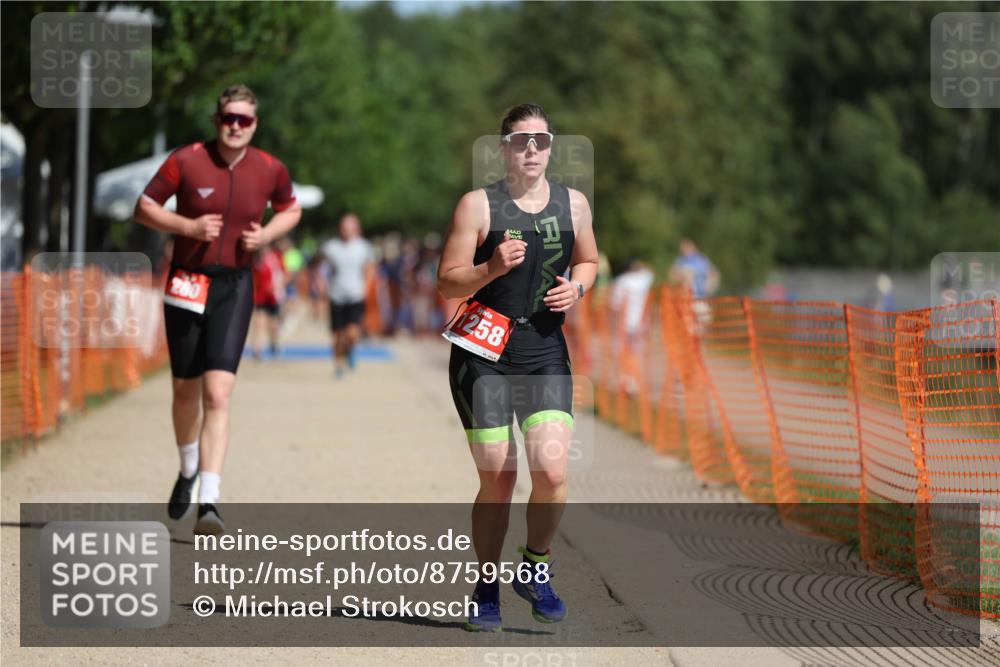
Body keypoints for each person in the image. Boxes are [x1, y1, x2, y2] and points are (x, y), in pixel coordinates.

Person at [437, 103, 599, 632]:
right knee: (500, 477)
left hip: (543, 348)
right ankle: (486, 586)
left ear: (552, 146)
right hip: (483, 353)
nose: (532, 148)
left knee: (552, 470)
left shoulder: (574, 204)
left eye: (542, 139)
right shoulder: (477, 206)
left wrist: (576, 287)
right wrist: (488, 267)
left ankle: (535, 567)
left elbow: (590, 260)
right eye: (521, 140)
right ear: (503, 148)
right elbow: (448, 281)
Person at [135, 84, 301, 534]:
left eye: (244, 119)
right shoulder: (186, 159)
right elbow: (145, 207)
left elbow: (291, 209)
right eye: (229, 117)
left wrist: (266, 235)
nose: (235, 125)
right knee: (185, 393)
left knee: (218, 395)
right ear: (217, 119)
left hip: (235, 285)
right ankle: (188, 468)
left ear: (255, 124)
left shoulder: (270, 168)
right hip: (187, 282)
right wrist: (186, 225)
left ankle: (209, 501)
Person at [321, 213, 375, 377]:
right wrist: (323, 284)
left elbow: (370, 268)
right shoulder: (331, 247)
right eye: (344, 228)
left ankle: (351, 350)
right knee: (338, 334)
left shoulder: (363, 247)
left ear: (357, 229)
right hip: (336, 294)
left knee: (351, 333)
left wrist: (365, 287)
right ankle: (338, 365)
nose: (347, 231)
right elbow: (323, 269)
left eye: (351, 228)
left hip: (355, 294)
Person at [669, 238, 720, 335]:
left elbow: (714, 273)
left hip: (701, 297)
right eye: (683, 248)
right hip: (685, 299)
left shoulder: (702, 260)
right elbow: (672, 277)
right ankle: (692, 346)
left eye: (686, 247)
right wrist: (681, 277)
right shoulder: (680, 261)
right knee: (689, 327)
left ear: (693, 247)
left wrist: (711, 286)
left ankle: (697, 345)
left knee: (704, 322)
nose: (684, 250)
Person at [250, 243, 286, 358]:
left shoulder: (275, 258)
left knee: (274, 325)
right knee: (259, 324)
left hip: (273, 297)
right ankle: (257, 350)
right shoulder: (254, 261)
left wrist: (278, 287)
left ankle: (275, 345)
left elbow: (285, 274)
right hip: (260, 297)